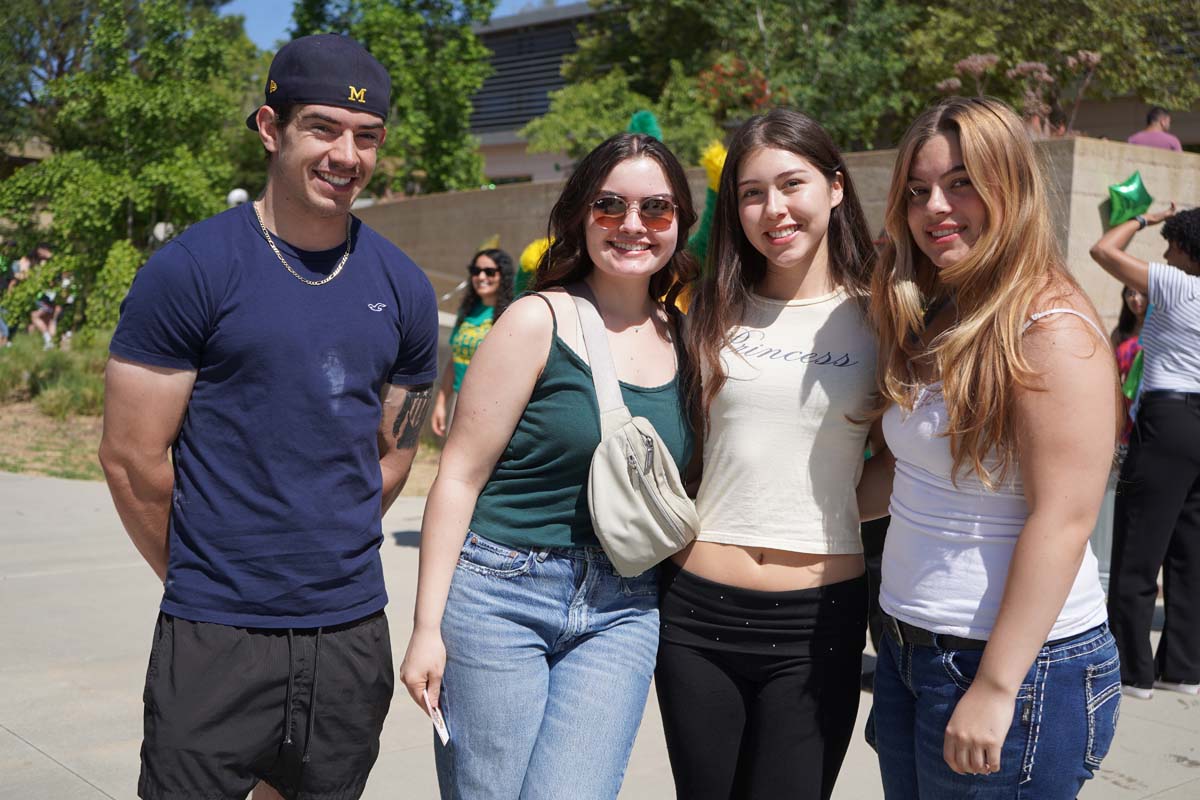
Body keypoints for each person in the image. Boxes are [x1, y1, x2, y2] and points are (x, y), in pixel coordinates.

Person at [98, 34, 439, 800]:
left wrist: (319, 550)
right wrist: (207, 574)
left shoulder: (404, 288)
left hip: (351, 634)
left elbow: (393, 454)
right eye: (322, 127)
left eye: (367, 136)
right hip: (216, 636)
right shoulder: (191, 270)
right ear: (268, 127)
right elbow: (130, 458)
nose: (346, 154)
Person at [399, 132, 697, 799]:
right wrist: (425, 629)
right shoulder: (535, 321)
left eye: (656, 209)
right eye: (610, 205)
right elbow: (458, 476)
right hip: (501, 593)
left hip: (622, 606)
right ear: (579, 215)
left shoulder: (686, 337)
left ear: (680, 222)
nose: (632, 225)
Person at [869, 97, 1120, 798]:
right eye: (917, 191)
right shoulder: (939, 307)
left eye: (961, 182)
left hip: (1014, 669)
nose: (935, 208)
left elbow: (1065, 518)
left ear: (1011, 184)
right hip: (907, 651)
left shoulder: (1051, 327)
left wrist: (997, 684)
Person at [660, 108, 891, 800]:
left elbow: (905, 457)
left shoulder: (883, 314)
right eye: (752, 192)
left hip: (819, 619)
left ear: (836, 187)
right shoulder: (706, 309)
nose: (773, 209)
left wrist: (820, 508)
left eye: (791, 184)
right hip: (696, 613)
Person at [1090, 204, 1200, 698]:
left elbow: (1103, 250)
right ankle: (1183, 667)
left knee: (1136, 547)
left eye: (1172, 243)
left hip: (1168, 419)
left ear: (1189, 249)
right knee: (1190, 553)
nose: (1165, 252)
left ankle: (1131, 670)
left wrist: (1145, 216)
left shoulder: (1180, 285)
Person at [430, 248, 514, 437]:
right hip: (460, 402)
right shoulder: (467, 312)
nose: (481, 276)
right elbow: (454, 361)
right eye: (476, 271)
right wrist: (441, 403)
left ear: (504, 275)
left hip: (491, 407)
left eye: (490, 272)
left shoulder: (511, 314)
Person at [1111, 286, 1148, 445]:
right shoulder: (1120, 333)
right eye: (1130, 293)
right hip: (1125, 402)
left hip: (1149, 400)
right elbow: (1112, 374)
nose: (1135, 298)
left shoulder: (1158, 330)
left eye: (1142, 294)